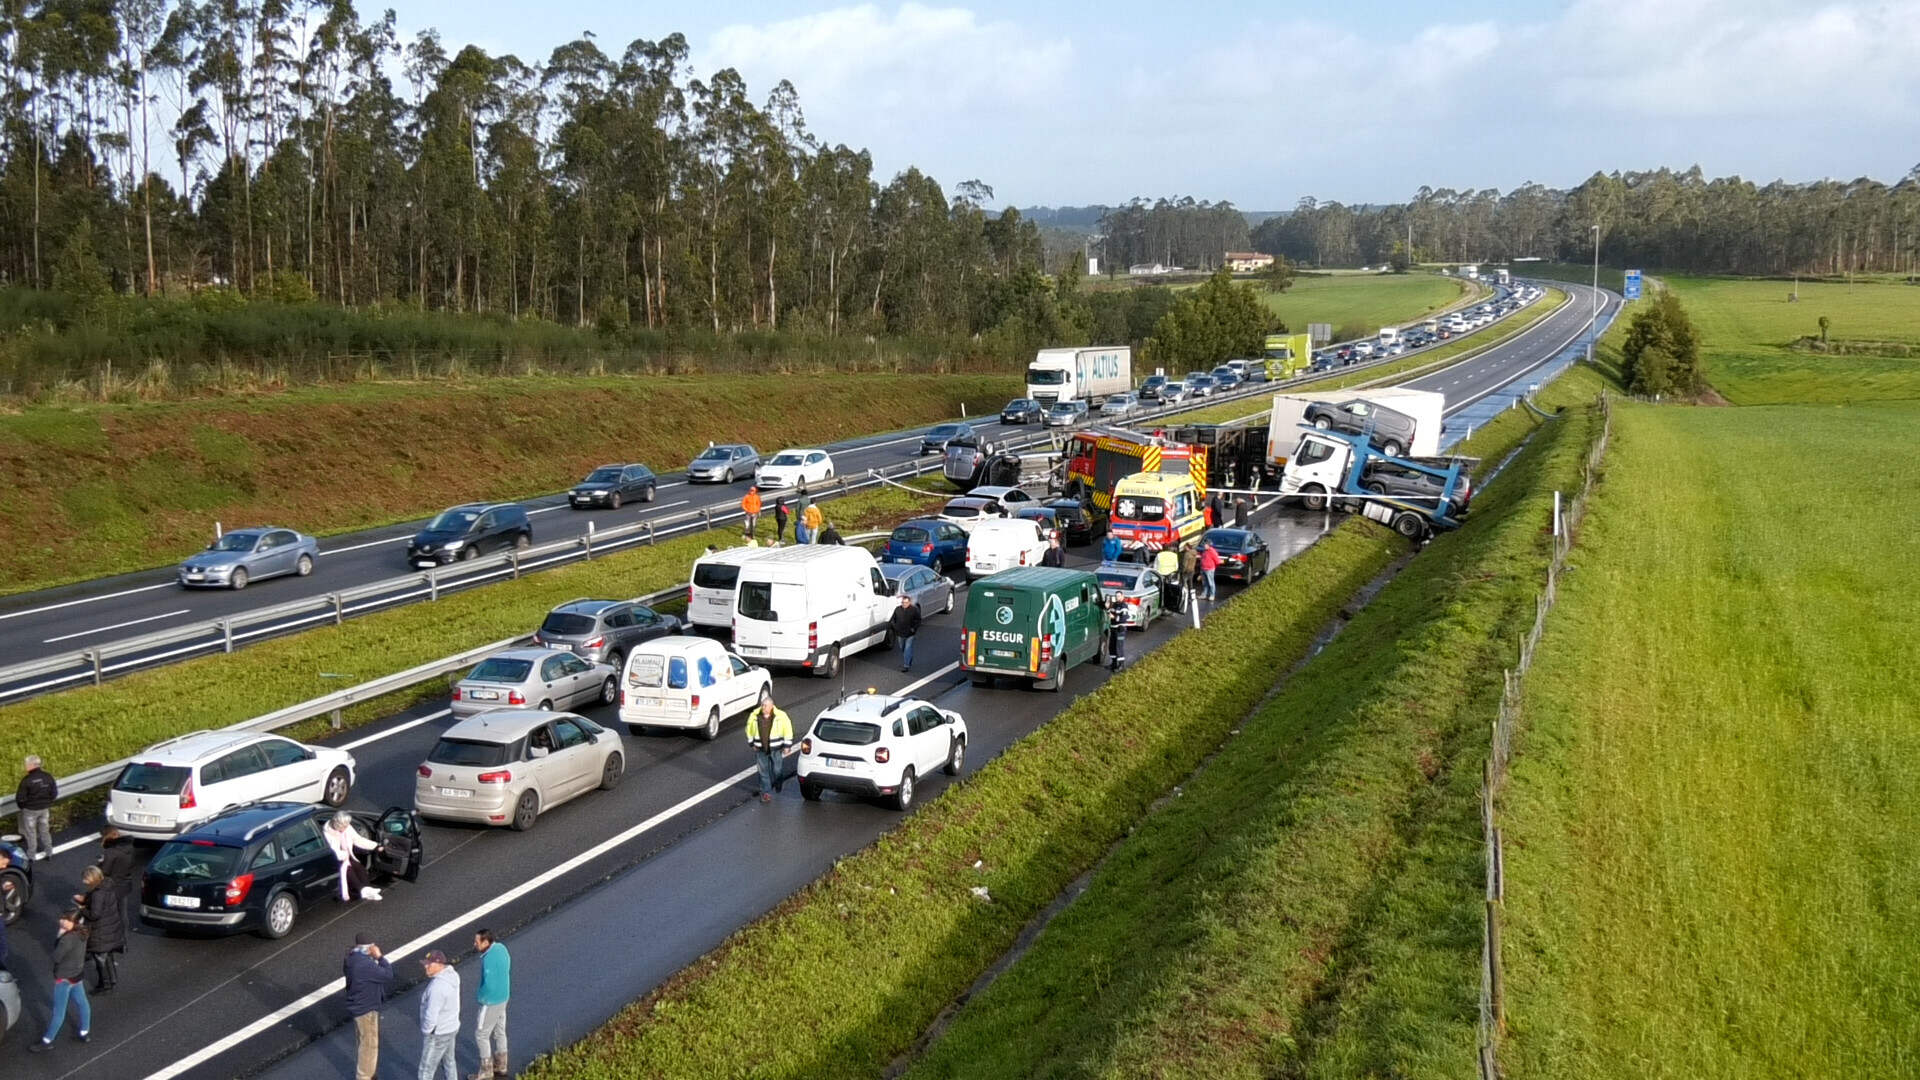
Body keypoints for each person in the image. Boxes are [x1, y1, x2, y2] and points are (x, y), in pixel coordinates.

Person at [31, 910, 91, 1052]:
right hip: (77, 975)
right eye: (63, 918)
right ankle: (84, 1032)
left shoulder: (66, 939)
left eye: (66, 920)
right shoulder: (83, 933)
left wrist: (60, 935)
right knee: (83, 1004)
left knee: (59, 1011)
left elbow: (56, 957)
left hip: (64, 978)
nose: (62, 921)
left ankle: (47, 1041)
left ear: (74, 923)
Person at [344, 931, 394, 1080]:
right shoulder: (365, 964)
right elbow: (388, 975)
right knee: (369, 1047)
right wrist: (380, 957)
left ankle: (368, 1074)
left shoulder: (350, 958)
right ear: (369, 947)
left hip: (357, 1005)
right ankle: (366, 1076)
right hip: (367, 1009)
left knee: (363, 1042)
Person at [469, 928, 511, 1080]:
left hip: (491, 1001)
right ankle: (502, 1064)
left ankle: (486, 1071)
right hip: (504, 996)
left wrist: (481, 997)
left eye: (477, 941)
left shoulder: (488, 959)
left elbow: (489, 985)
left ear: (486, 942)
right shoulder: (501, 948)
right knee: (500, 1030)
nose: (475, 944)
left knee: (481, 1034)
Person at [74, 865, 124, 992]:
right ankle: (112, 980)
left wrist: (82, 909)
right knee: (107, 957)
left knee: (101, 959)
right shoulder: (106, 886)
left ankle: (105, 985)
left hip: (101, 931)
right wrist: (85, 900)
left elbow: (94, 914)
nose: (84, 881)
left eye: (85, 879)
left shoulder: (97, 893)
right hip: (110, 927)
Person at [418, 949, 462, 1080]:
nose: (425, 966)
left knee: (425, 1070)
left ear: (439, 965)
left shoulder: (437, 987)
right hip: (452, 1027)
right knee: (449, 1062)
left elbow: (431, 1015)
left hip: (438, 1033)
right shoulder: (453, 976)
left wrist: (427, 1031)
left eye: (429, 964)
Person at [744, 691, 794, 803]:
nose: (763, 707)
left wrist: (787, 746)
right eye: (762, 705)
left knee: (777, 769)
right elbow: (749, 729)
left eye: (765, 706)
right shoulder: (754, 716)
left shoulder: (781, 716)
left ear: (772, 706)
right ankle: (765, 793)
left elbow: (788, 730)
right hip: (760, 749)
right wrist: (752, 743)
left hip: (776, 748)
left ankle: (778, 782)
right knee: (763, 772)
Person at [325, 811, 384, 902]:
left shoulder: (346, 828)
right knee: (349, 869)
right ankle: (362, 890)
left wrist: (376, 846)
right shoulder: (329, 833)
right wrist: (342, 855)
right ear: (337, 823)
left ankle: (368, 890)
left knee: (360, 868)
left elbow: (358, 840)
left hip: (347, 856)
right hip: (336, 858)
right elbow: (333, 850)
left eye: (347, 825)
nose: (346, 827)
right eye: (344, 826)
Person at [16, 754, 56, 861]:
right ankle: (49, 853)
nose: (25, 766)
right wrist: (46, 802)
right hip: (44, 809)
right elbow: (54, 793)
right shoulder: (48, 776)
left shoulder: (26, 780)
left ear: (31, 765)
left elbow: (20, 798)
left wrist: (23, 807)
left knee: (31, 833)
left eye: (26, 764)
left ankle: (31, 856)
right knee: (44, 830)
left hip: (30, 811)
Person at [98, 826, 137, 924]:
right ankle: (124, 935)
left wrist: (99, 865)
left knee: (109, 912)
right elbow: (132, 863)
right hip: (125, 883)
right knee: (122, 912)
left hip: (112, 885)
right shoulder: (129, 847)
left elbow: (105, 870)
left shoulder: (110, 851)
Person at [890, 594, 922, 673]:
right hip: (900, 633)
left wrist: (913, 629)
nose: (904, 604)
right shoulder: (898, 609)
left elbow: (918, 620)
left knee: (908, 648)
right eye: (903, 603)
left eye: (906, 603)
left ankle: (906, 665)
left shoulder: (914, 610)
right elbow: (893, 619)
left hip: (910, 634)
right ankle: (909, 657)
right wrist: (896, 628)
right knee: (902, 648)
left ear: (909, 602)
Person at [1155, 547, 1183, 612]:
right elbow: (1176, 567)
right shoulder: (1174, 555)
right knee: (1170, 592)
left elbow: (1155, 566)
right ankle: (1169, 606)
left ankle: (1160, 605)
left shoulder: (1159, 555)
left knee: (1161, 591)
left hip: (1160, 575)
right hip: (1171, 576)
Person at [1105, 595, 1128, 671]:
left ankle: (1121, 664)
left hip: (1120, 630)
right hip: (1113, 629)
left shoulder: (1124, 606)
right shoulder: (1114, 605)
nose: (1117, 597)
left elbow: (1123, 619)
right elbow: (1109, 613)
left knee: (1119, 647)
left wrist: (1114, 617)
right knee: (1112, 646)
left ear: (1122, 596)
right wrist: (1107, 607)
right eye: (1116, 596)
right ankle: (1113, 663)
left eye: (1118, 596)